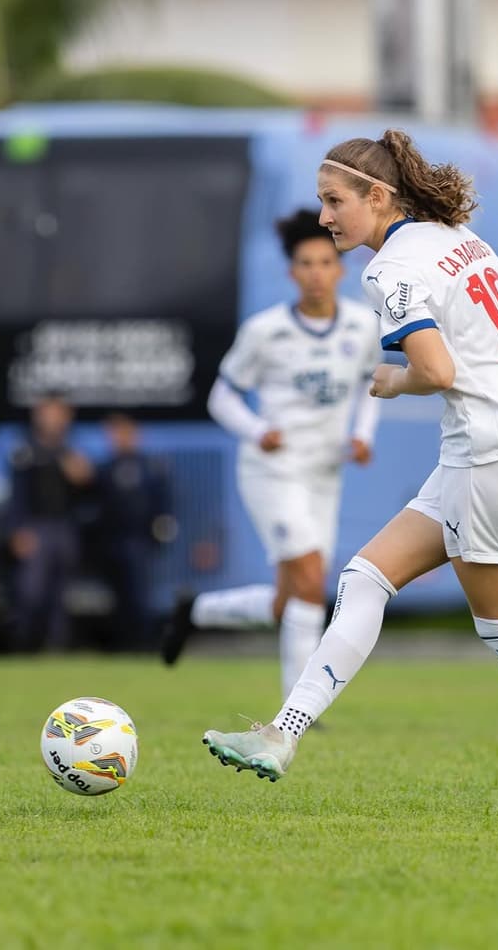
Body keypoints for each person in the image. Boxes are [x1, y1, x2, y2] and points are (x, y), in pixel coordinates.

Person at [202, 131, 498, 813]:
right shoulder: (458, 236)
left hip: (494, 456)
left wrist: (396, 383)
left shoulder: (388, 268)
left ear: (378, 196)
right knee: (365, 576)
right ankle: (281, 733)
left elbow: (437, 370)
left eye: (334, 202)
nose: (326, 217)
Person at [161, 209, 382, 702]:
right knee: (308, 577)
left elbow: (372, 381)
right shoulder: (266, 331)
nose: (317, 273)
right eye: (306, 263)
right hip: (273, 471)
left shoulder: (361, 326)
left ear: (339, 270)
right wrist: (259, 430)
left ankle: (195, 612)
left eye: (326, 262)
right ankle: (299, 707)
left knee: (294, 598)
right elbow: (222, 397)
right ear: (292, 272)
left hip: (325, 472)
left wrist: (363, 433)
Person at [7, 393, 93, 651]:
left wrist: (83, 477)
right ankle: (23, 644)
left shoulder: (73, 450)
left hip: (65, 527)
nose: (55, 419)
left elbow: (90, 494)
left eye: (60, 413)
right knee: (31, 590)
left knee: (62, 594)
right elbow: (16, 496)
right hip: (37, 527)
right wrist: (16, 531)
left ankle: (57, 647)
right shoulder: (26, 450)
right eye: (50, 412)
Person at [97, 413, 175, 651]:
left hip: (140, 540)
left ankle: (144, 643)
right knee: (118, 596)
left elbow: (162, 504)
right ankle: (122, 644)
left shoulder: (150, 467)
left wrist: (159, 534)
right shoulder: (104, 468)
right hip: (112, 542)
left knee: (140, 593)